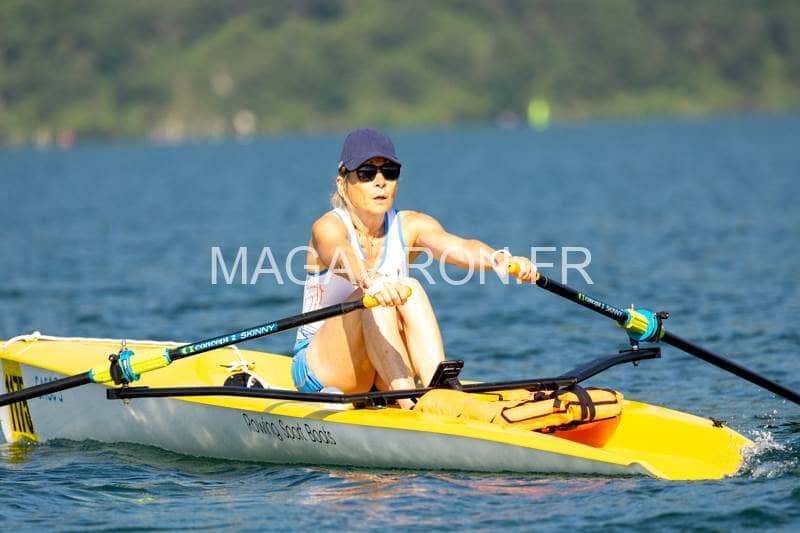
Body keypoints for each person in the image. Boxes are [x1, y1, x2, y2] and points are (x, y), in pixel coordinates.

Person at [292, 128, 536, 408]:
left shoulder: (411, 225)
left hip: (380, 366)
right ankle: (411, 402)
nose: (380, 182)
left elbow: (461, 247)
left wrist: (499, 259)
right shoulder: (327, 227)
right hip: (322, 369)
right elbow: (341, 254)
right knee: (370, 297)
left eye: (389, 172)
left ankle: (439, 391)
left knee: (411, 287)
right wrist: (371, 280)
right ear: (342, 182)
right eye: (367, 173)